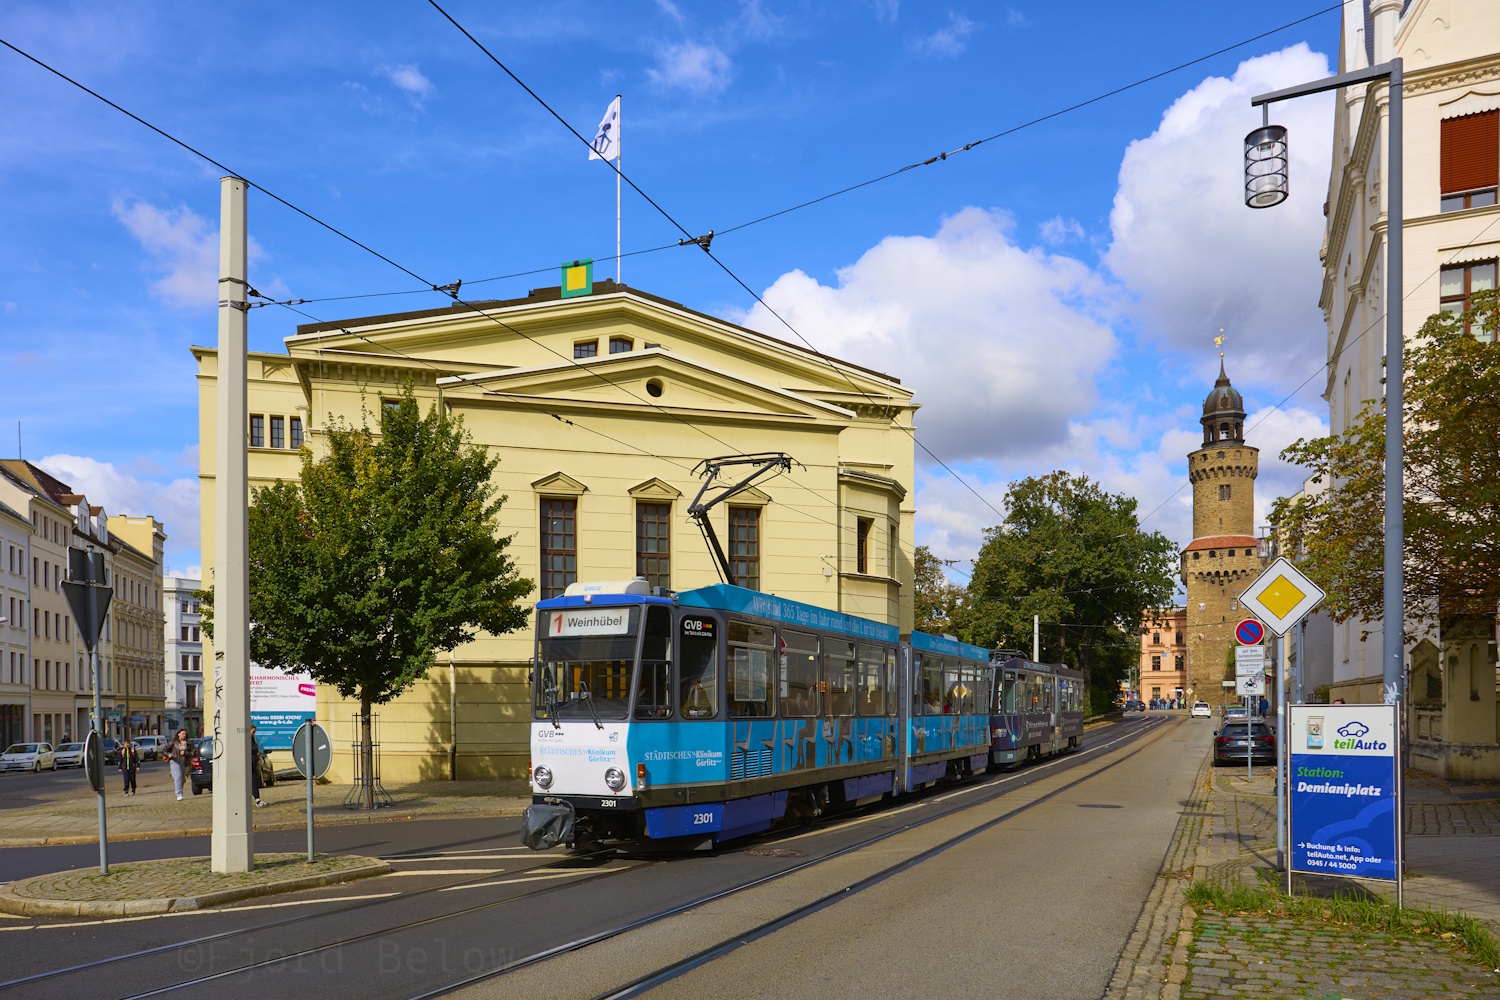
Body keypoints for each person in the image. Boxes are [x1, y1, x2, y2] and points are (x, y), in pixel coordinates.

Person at [164, 728, 191, 801]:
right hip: (175, 761)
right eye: (182, 734)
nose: (184, 735)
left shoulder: (188, 743)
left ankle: (174, 775)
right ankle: (179, 794)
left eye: (185, 734)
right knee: (178, 777)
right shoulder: (173, 742)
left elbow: (193, 752)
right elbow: (164, 750)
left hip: (184, 761)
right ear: (178, 734)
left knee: (182, 779)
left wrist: (185, 753)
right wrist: (170, 755)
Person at [251, 725, 267, 807]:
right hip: (248, 765)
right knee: (251, 782)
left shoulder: (253, 740)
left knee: (253, 782)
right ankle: (257, 800)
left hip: (253, 764)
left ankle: (257, 800)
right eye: (253, 732)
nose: (254, 734)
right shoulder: (245, 740)